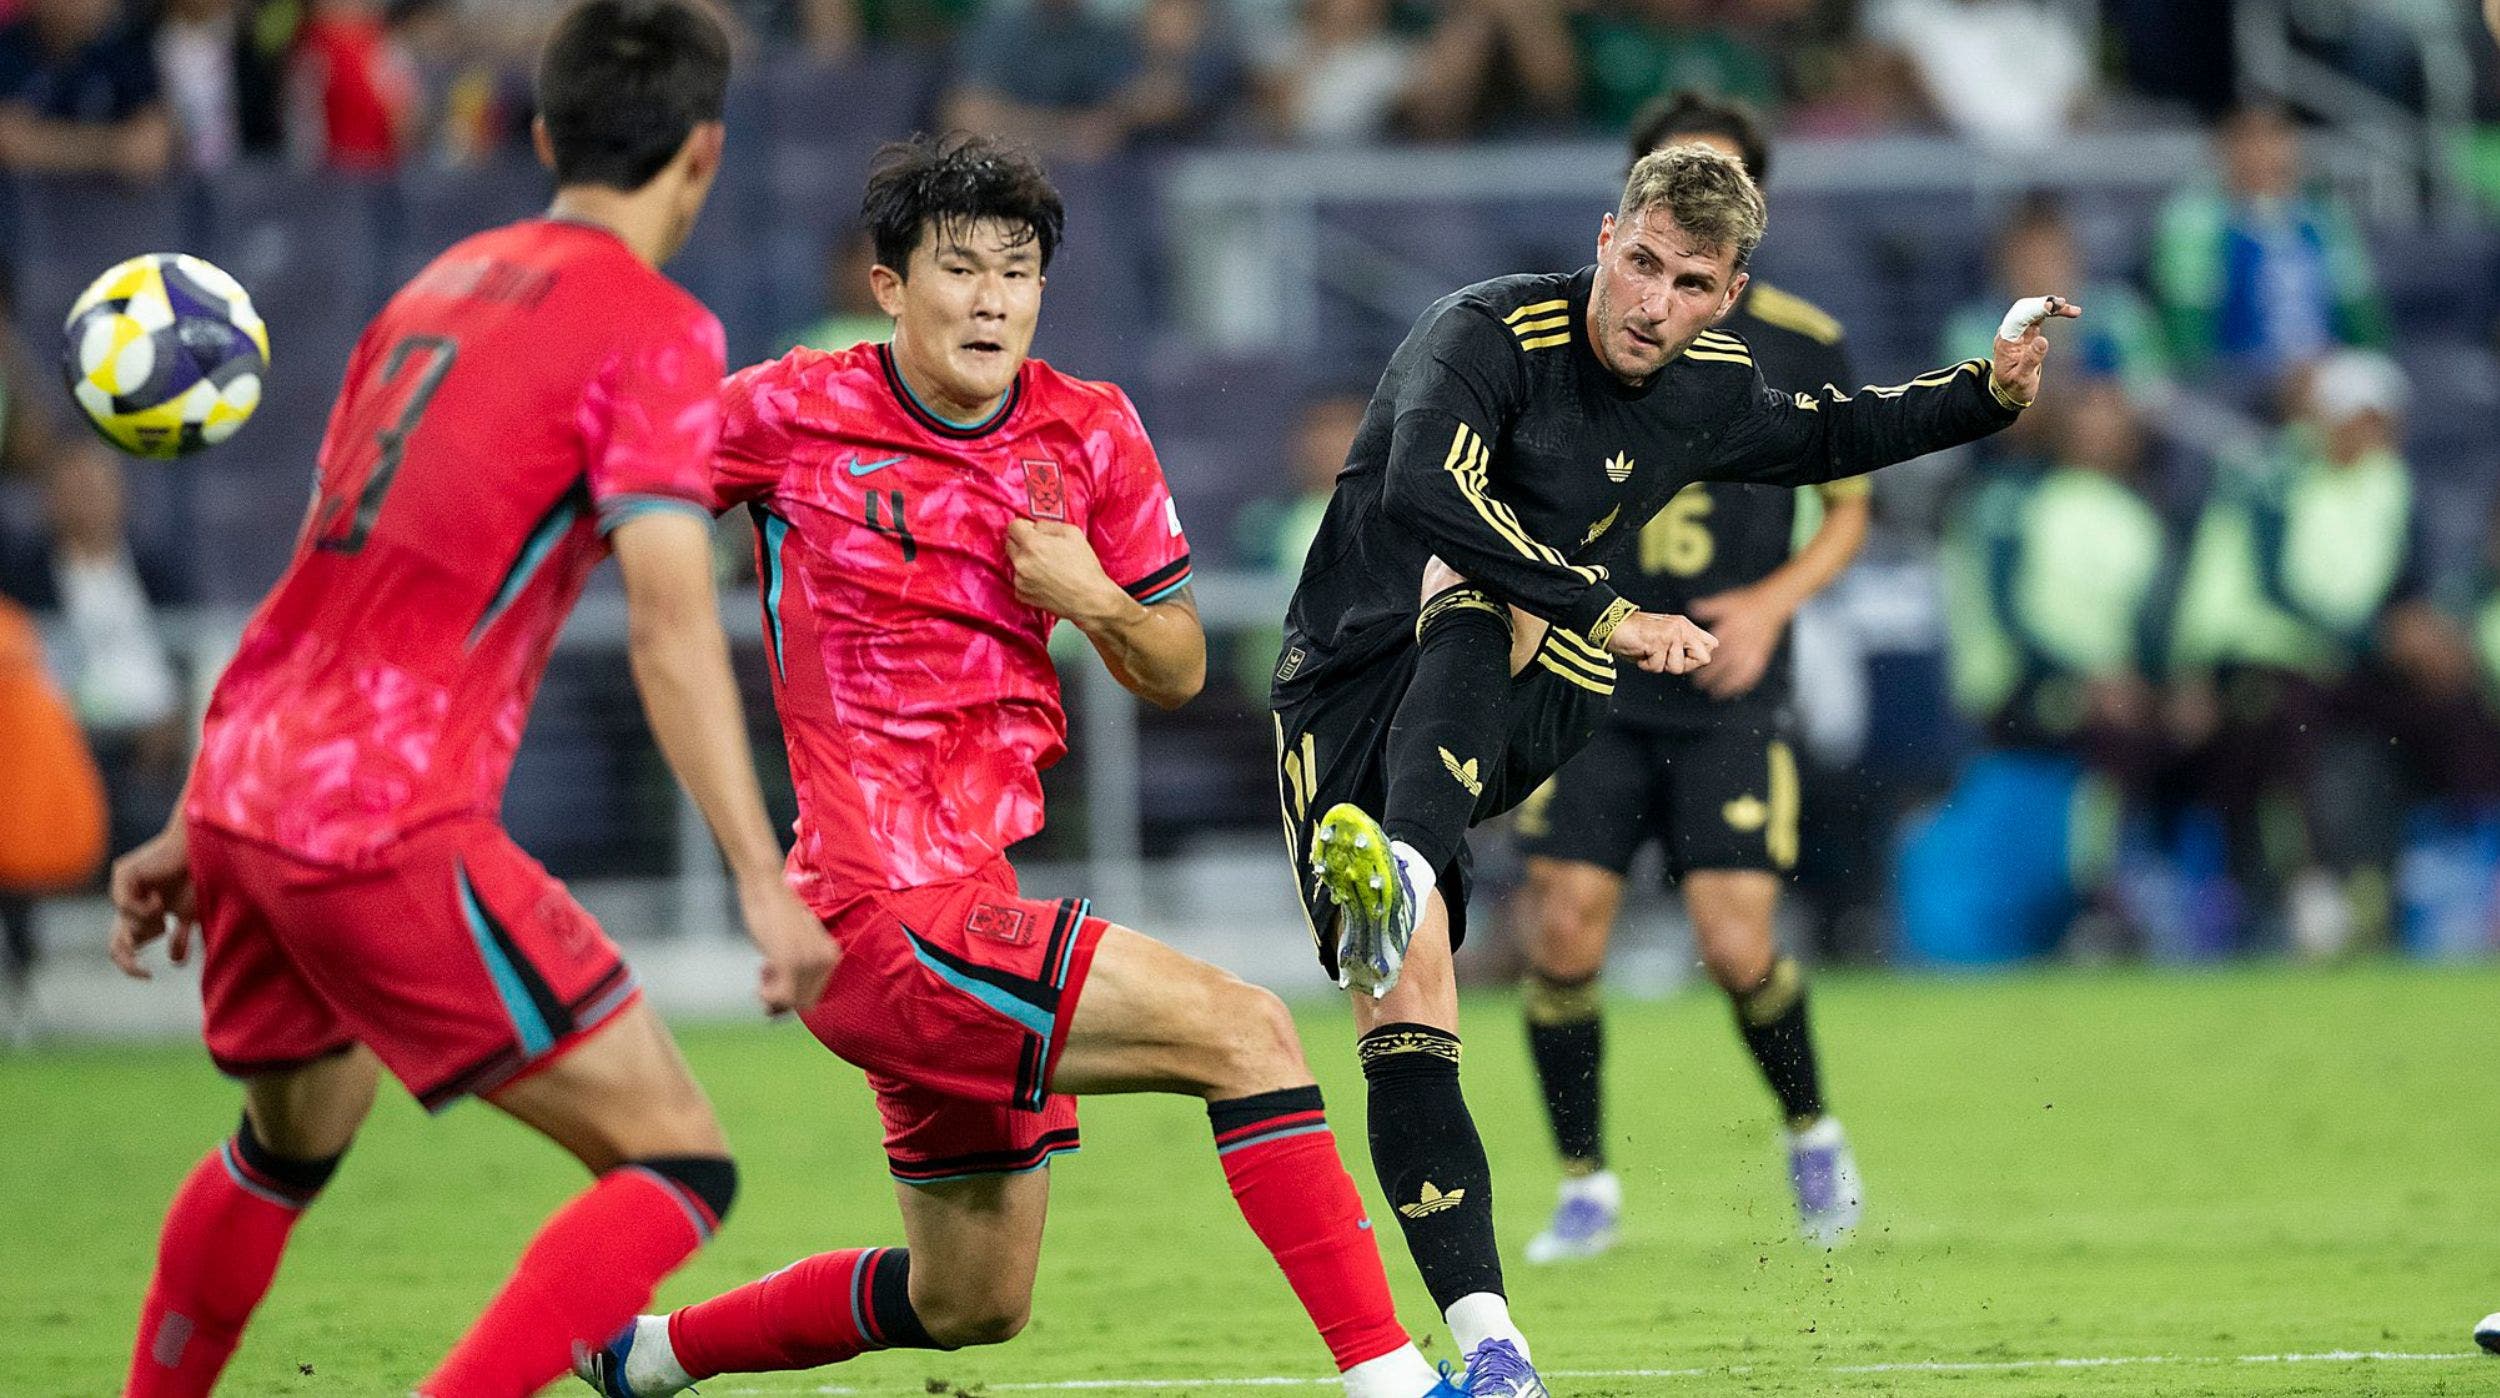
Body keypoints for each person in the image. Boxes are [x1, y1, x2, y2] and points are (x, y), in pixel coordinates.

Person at [572, 134, 1464, 1398]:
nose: (992, 298)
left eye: (1017, 270)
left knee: (970, 1299)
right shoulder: (785, 410)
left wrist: (1091, 595)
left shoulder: (1088, 430)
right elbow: (602, 489)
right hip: (873, 912)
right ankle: (1394, 1382)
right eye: (960, 269)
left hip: (971, 894)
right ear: (890, 285)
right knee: (1248, 1032)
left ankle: (646, 1357)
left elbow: (1177, 667)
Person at [105, 6, 835, 1395]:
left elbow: (325, 572)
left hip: (251, 777)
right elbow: (671, 622)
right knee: (677, 1161)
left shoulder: (431, 288)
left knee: (289, 1139)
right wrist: (763, 874)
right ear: (705, 152)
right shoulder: (658, 330)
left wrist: (202, 814)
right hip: (378, 817)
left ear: (545, 137)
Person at [1270, 140, 2071, 1390]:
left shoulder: (1705, 388)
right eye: (1641, 264)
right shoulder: (1482, 334)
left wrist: (1988, 393)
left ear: (1729, 295)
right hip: (1344, 691)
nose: (1653, 303)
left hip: (1528, 680)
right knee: (1409, 1020)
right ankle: (1495, 1349)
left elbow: (1829, 434)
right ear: (1605, 238)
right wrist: (1607, 607)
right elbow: (1427, 491)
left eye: (1691, 284)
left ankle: (1407, 875)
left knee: (1480, 599)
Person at [1510, 91, 1874, 1262]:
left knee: (1735, 942)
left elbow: (1848, 509)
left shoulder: (1803, 341)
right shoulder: (1568, 332)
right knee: (1563, 930)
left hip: (1726, 684)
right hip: (1590, 672)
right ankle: (1584, 1184)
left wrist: (1769, 604)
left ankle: (1812, 1130)